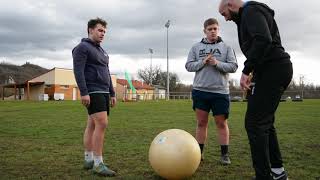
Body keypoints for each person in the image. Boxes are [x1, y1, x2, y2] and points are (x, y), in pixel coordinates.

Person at [219, 1, 293, 179]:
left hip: (274, 70)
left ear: (230, 4)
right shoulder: (246, 15)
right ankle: (278, 172)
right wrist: (254, 72)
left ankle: (263, 176)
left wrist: (246, 70)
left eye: (224, 13)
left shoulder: (251, 11)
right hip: (268, 71)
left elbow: (263, 39)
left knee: (254, 123)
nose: (226, 19)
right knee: (265, 123)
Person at [185, 18, 238, 165]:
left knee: (221, 124)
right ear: (205, 31)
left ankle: (224, 155)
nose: (213, 31)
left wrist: (217, 63)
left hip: (220, 92)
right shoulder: (196, 47)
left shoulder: (226, 47)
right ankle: (199, 153)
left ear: (218, 30)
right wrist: (202, 62)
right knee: (201, 123)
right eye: (210, 29)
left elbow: (233, 66)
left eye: (215, 28)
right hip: (200, 91)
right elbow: (188, 66)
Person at [72, 17, 116, 177]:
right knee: (102, 124)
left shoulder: (102, 51)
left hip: (104, 91)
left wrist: (112, 93)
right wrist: (84, 92)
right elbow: (78, 71)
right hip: (93, 90)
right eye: (100, 30)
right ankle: (98, 163)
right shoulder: (82, 48)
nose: (103, 33)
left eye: (104, 31)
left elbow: (107, 74)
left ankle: (89, 159)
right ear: (90, 30)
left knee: (92, 125)